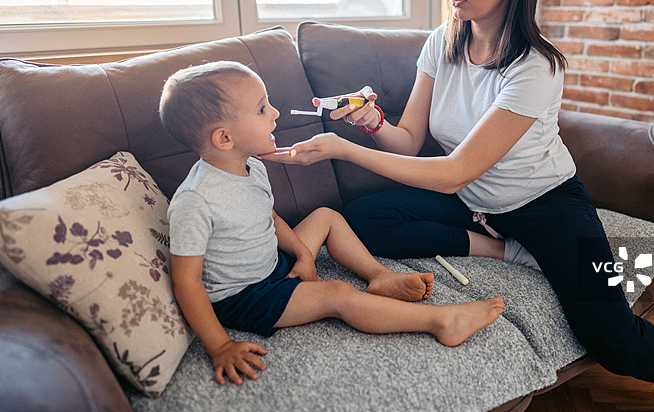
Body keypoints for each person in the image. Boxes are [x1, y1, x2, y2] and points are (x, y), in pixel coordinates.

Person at [265, 0, 654, 411]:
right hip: (473, 205)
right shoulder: (440, 44)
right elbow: (408, 141)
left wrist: (340, 147)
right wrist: (372, 123)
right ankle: (508, 250)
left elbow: (451, 173)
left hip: (544, 204)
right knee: (363, 221)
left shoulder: (536, 68)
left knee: (610, 336)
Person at [158, 61, 504, 387]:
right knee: (337, 294)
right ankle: (442, 321)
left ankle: (379, 275)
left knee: (326, 216)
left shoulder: (252, 166)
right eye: (263, 109)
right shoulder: (195, 200)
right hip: (246, 296)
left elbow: (270, 217)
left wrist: (301, 253)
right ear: (224, 139)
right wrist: (219, 346)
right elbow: (187, 283)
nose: (276, 113)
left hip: (274, 264)